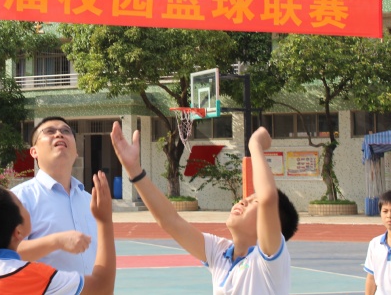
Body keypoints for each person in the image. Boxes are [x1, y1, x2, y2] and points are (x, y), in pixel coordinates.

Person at [110, 122, 299, 295]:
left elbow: (268, 198)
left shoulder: (268, 261)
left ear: (270, 222)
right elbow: (170, 221)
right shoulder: (220, 253)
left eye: (253, 202)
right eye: (246, 198)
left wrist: (255, 144)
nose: (243, 202)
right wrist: (134, 170)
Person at [0, 171, 115, 295]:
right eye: (21, 204)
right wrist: (104, 220)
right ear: (18, 231)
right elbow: (102, 287)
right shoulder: (33, 277)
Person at [11, 117, 96, 274]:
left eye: (66, 131)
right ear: (34, 152)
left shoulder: (91, 201)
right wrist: (56, 242)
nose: (59, 134)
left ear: (76, 152)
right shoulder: (18, 199)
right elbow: (5, 254)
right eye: (50, 131)